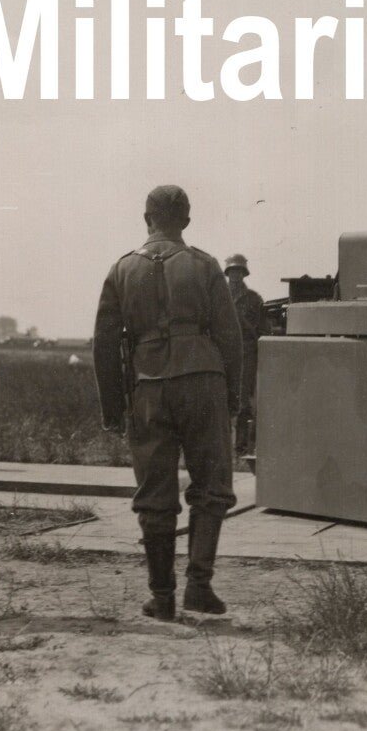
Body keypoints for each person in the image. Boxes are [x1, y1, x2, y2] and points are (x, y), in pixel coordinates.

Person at [93, 185, 243, 620]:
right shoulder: (205, 265)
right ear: (187, 221)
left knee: (155, 494)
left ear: (147, 219)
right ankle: (199, 586)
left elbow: (104, 344)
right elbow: (230, 338)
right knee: (212, 487)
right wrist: (233, 395)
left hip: (147, 387)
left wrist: (111, 407)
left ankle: (161, 597)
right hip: (203, 382)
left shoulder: (121, 270)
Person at [223, 254, 267, 456]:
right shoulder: (219, 296)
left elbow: (262, 329)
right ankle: (221, 446)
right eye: (232, 271)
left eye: (238, 271)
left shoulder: (253, 299)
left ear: (244, 273)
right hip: (222, 352)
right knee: (219, 399)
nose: (235, 275)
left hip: (246, 353)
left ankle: (240, 447)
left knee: (243, 402)